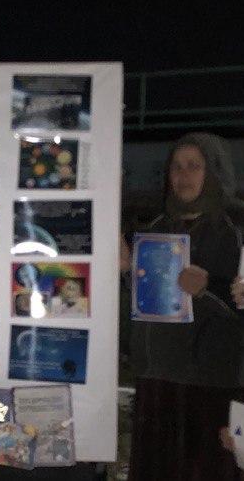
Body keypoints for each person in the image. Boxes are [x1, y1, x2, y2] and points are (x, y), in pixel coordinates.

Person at [123, 133, 244, 481]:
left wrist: (210, 288)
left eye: (194, 166)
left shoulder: (235, 230)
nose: (183, 175)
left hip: (212, 388)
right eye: (176, 167)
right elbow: (139, 305)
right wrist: (126, 273)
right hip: (157, 384)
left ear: (214, 172)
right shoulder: (154, 229)